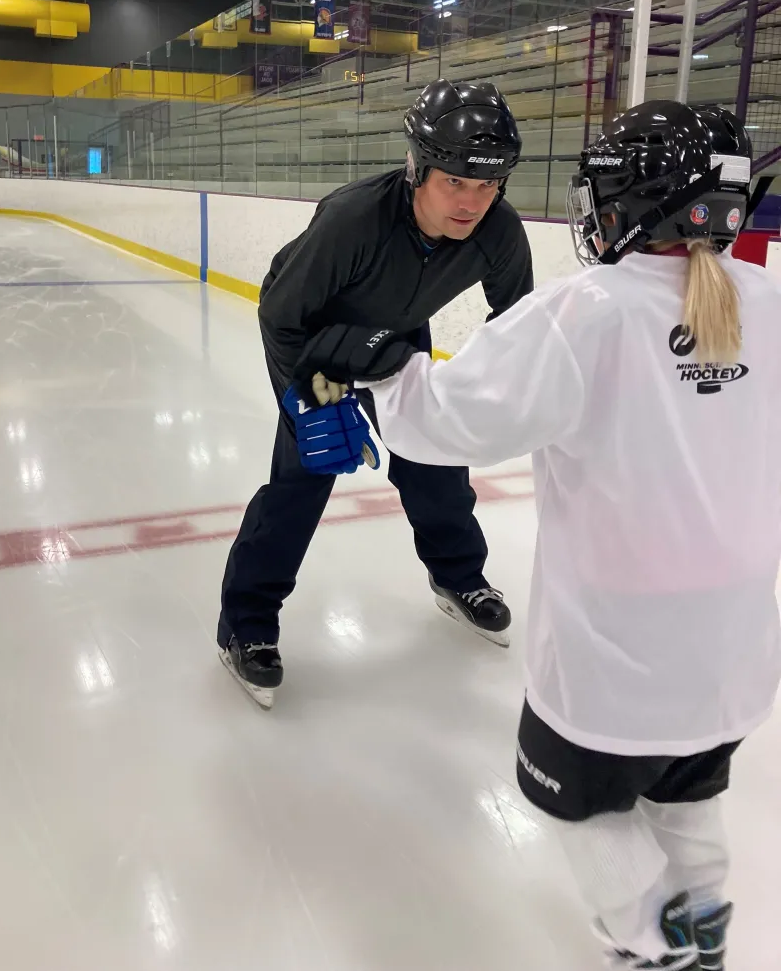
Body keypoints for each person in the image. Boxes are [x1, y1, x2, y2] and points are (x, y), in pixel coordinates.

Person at [293, 101, 781, 969]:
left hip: (620, 648)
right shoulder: (770, 301)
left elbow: (446, 420)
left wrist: (384, 365)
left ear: (637, 201)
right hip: (737, 646)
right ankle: (701, 927)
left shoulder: (585, 312)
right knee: (689, 788)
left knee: (570, 798)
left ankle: (647, 943)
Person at [218, 78, 534, 707]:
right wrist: (303, 399)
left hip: (396, 340)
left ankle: (459, 579)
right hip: (322, 344)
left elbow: (519, 327)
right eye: (455, 183)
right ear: (418, 169)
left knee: (436, 462)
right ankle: (246, 626)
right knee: (303, 479)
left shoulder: (498, 231)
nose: (472, 202)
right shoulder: (354, 218)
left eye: (488, 184)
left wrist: (494, 397)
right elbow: (281, 314)